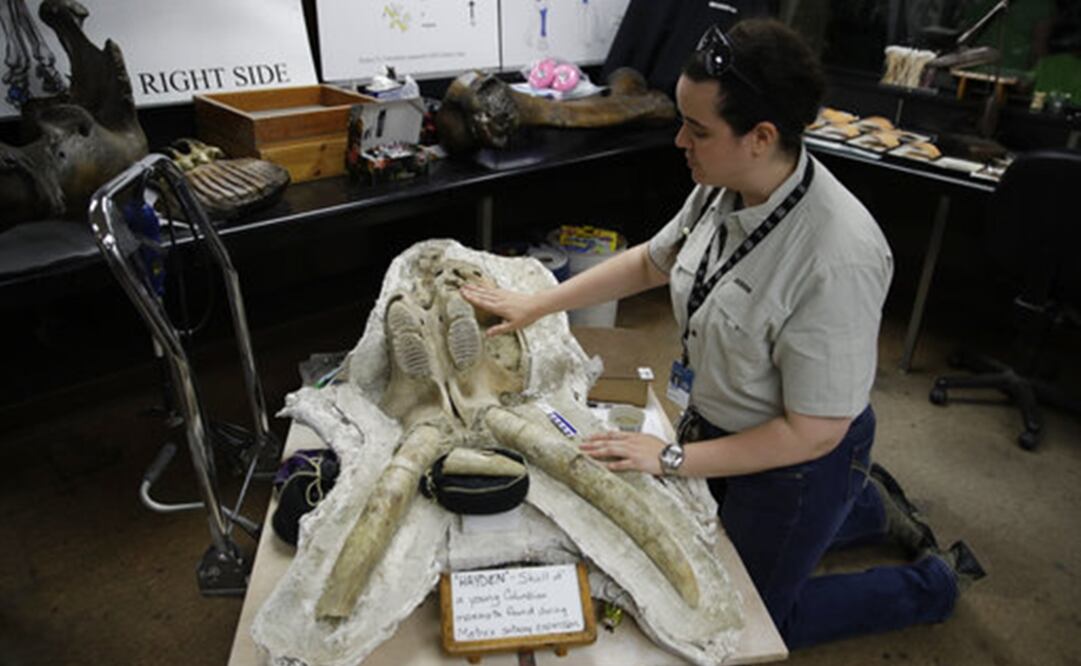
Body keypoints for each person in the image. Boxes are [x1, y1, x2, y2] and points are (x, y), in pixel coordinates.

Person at [462, 18, 985, 649]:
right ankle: (867, 508)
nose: (679, 139)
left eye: (698, 129)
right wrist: (538, 304)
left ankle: (931, 585)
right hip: (722, 423)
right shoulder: (724, 186)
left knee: (751, 621)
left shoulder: (837, 255)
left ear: (761, 137)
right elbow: (654, 260)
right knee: (711, 539)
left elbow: (811, 430)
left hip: (801, 458)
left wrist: (672, 459)